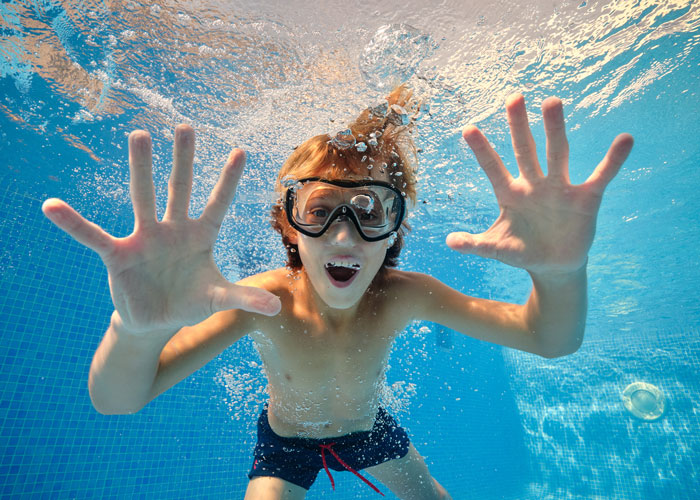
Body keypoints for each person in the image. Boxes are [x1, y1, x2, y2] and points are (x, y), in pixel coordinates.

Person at [41, 85, 633, 499]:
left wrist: (558, 275)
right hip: (285, 445)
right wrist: (135, 329)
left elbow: (547, 339)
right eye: (320, 211)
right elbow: (118, 399)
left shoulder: (404, 294)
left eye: (368, 212)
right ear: (288, 226)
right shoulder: (259, 301)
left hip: (371, 429)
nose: (344, 235)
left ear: (394, 231)